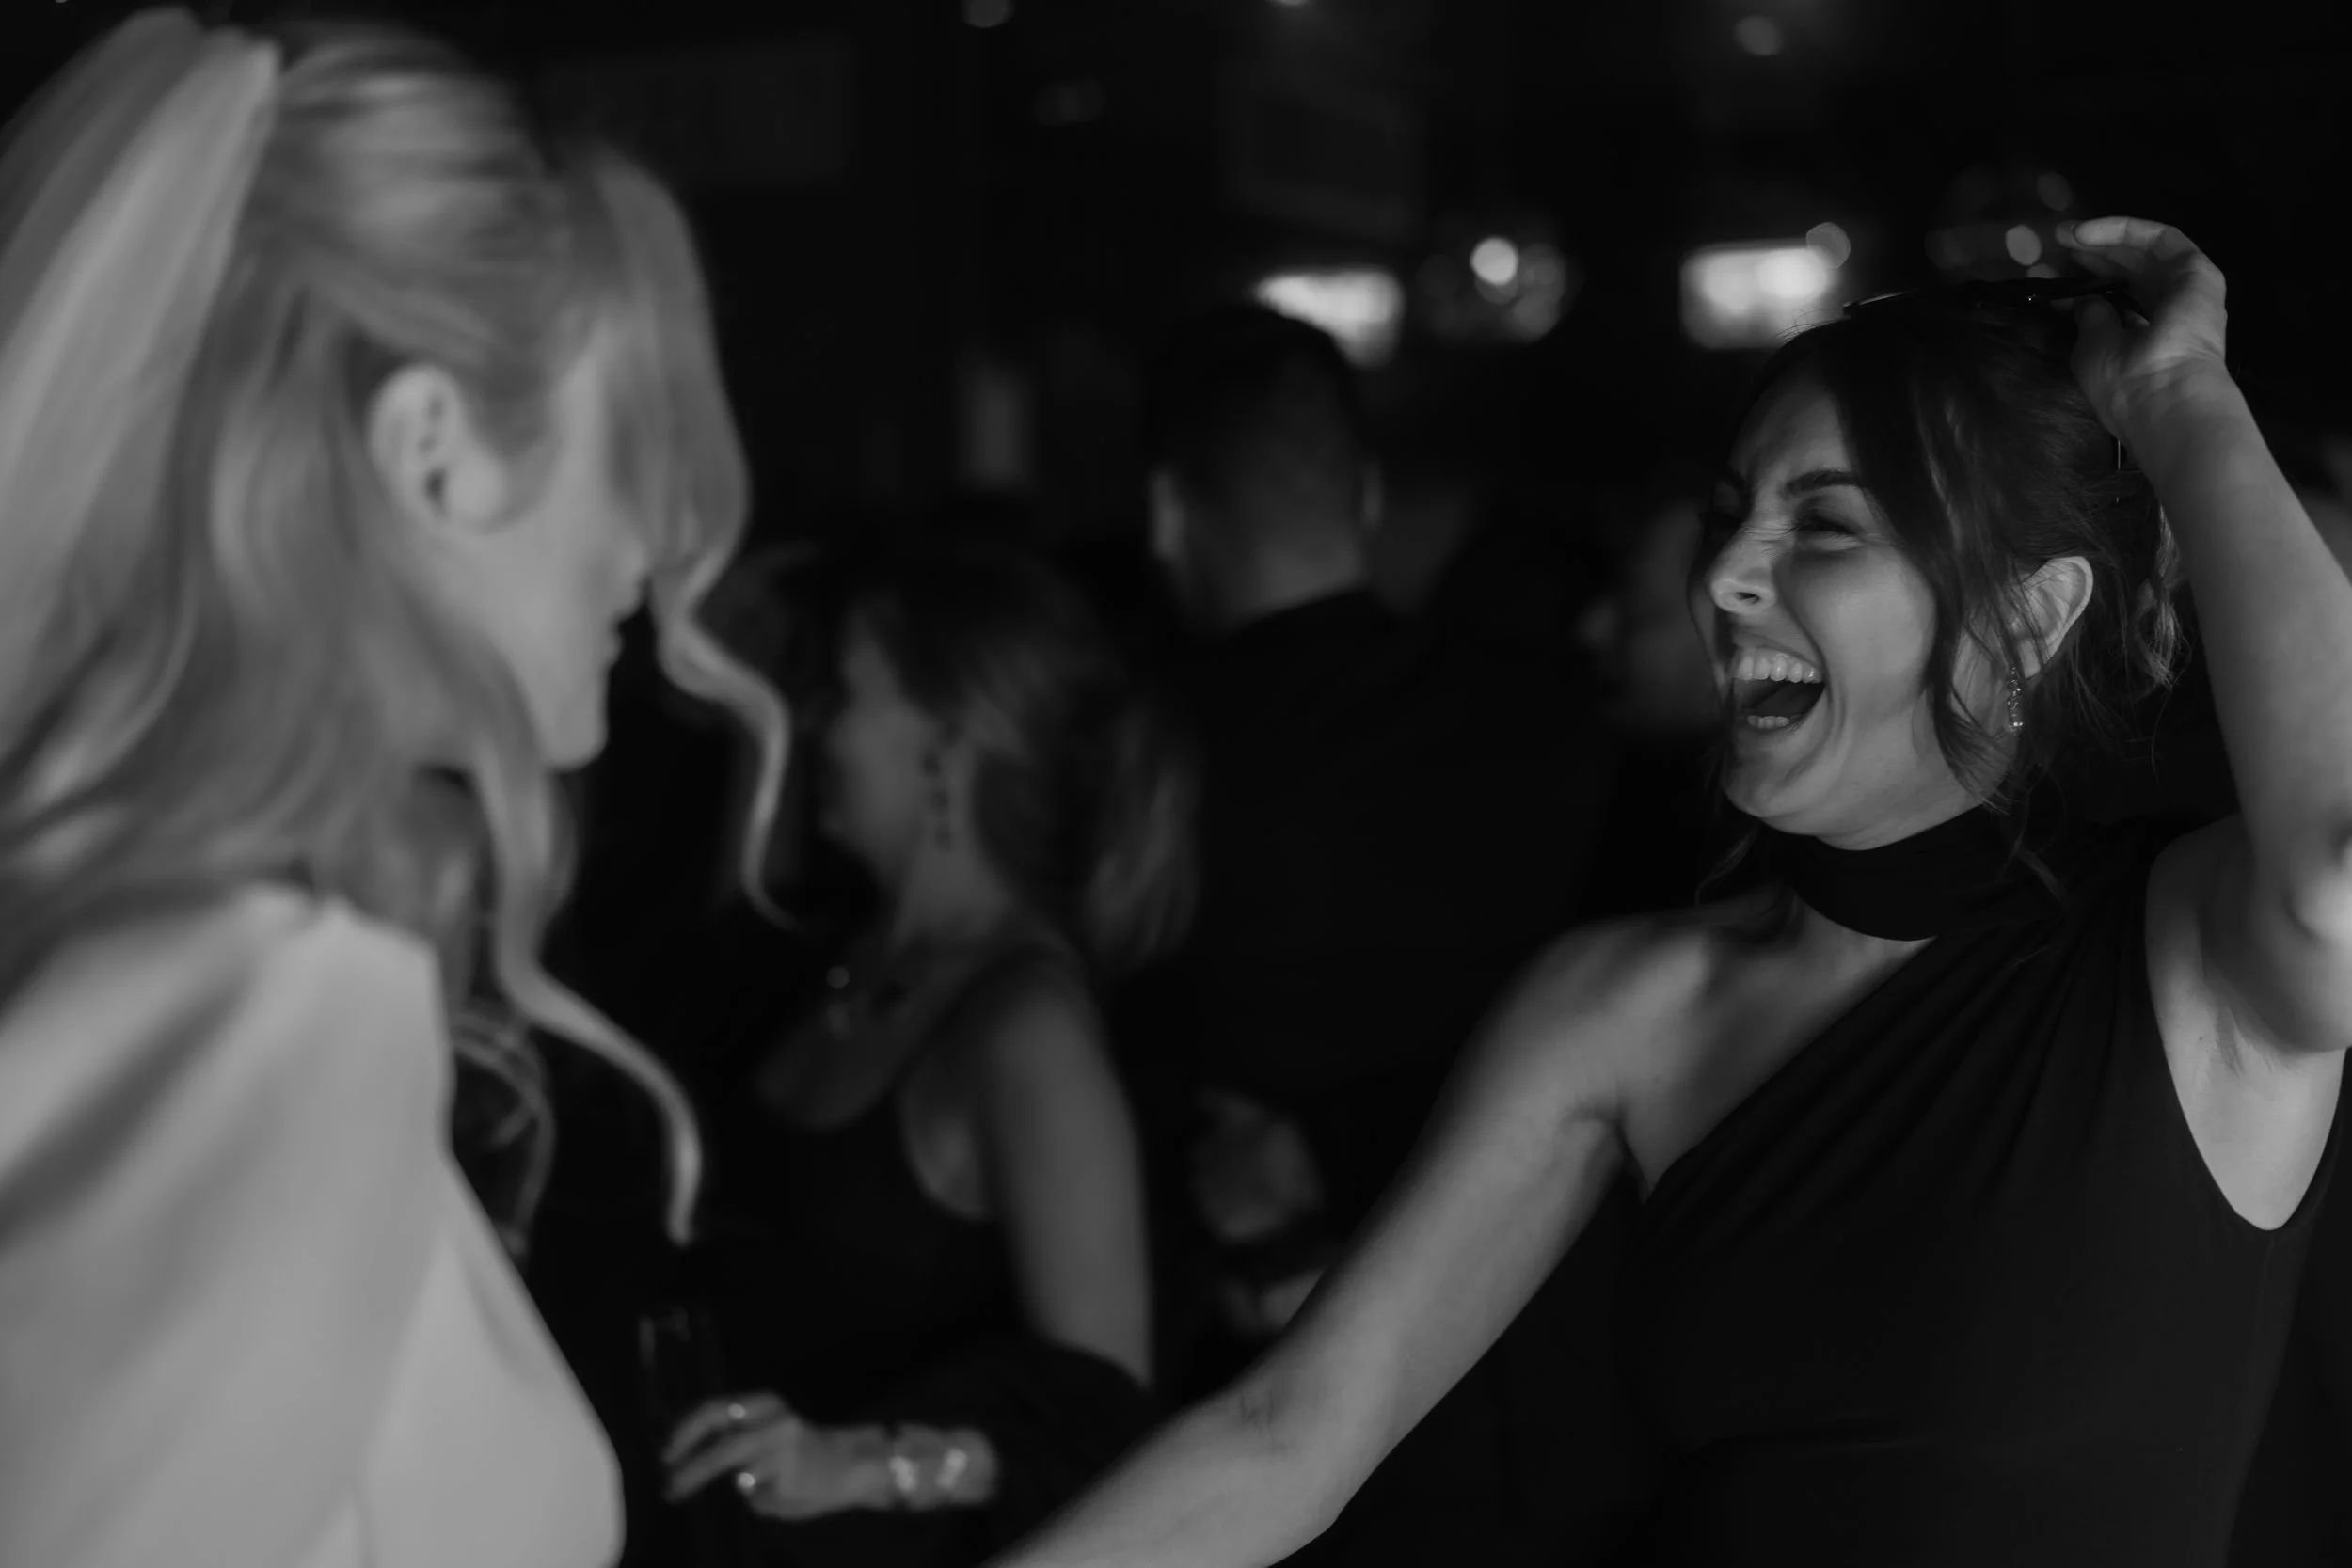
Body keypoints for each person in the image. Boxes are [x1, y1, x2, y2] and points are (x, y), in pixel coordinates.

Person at [984, 219, 2347, 1568]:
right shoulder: (1626, 1001)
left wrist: (2178, 402)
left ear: (2030, 617)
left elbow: (2337, 868)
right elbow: (1288, 1434)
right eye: (1728, 513)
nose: (1723, 573)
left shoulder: (2191, 972)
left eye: (1824, 523)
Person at [0, 10, 786, 1567]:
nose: (654, 553)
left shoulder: (159, 933)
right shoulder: (273, 996)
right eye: (628, 447)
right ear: (432, 446)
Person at [1121, 305, 1613, 1563]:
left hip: (1239, 1383)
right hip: (1536, 1359)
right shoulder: (1550, 717)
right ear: (1370, 493)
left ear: (1170, 512)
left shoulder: (1145, 761)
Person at [660, 546, 1193, 1565]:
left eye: (849, 691)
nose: (818, 722)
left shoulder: (1025, 1033)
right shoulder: (850, 958)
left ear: (948, 742)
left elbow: (1102, 1421)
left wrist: (864, 1463)